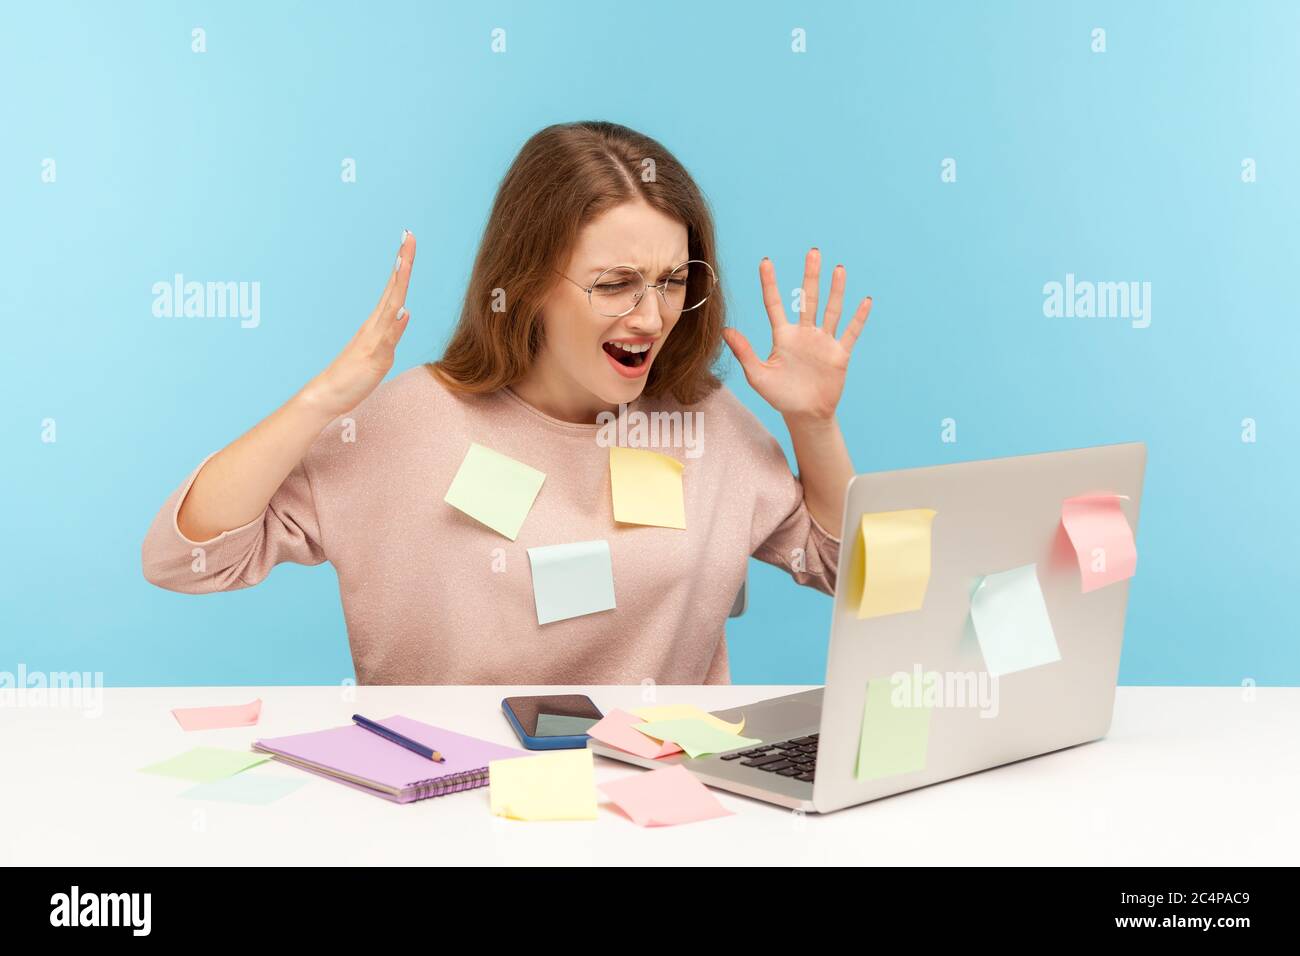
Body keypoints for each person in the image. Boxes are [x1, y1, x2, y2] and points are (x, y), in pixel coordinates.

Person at [142, 120, 873, 684]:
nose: (652, 317)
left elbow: (857, 579)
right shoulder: (409, 426)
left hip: (664, 814)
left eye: (674, 280)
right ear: (527, 283)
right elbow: (188, 557)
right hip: (452, 811)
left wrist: (814, 424)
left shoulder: (703, 425)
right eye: (616, 284)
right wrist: (322, 400)